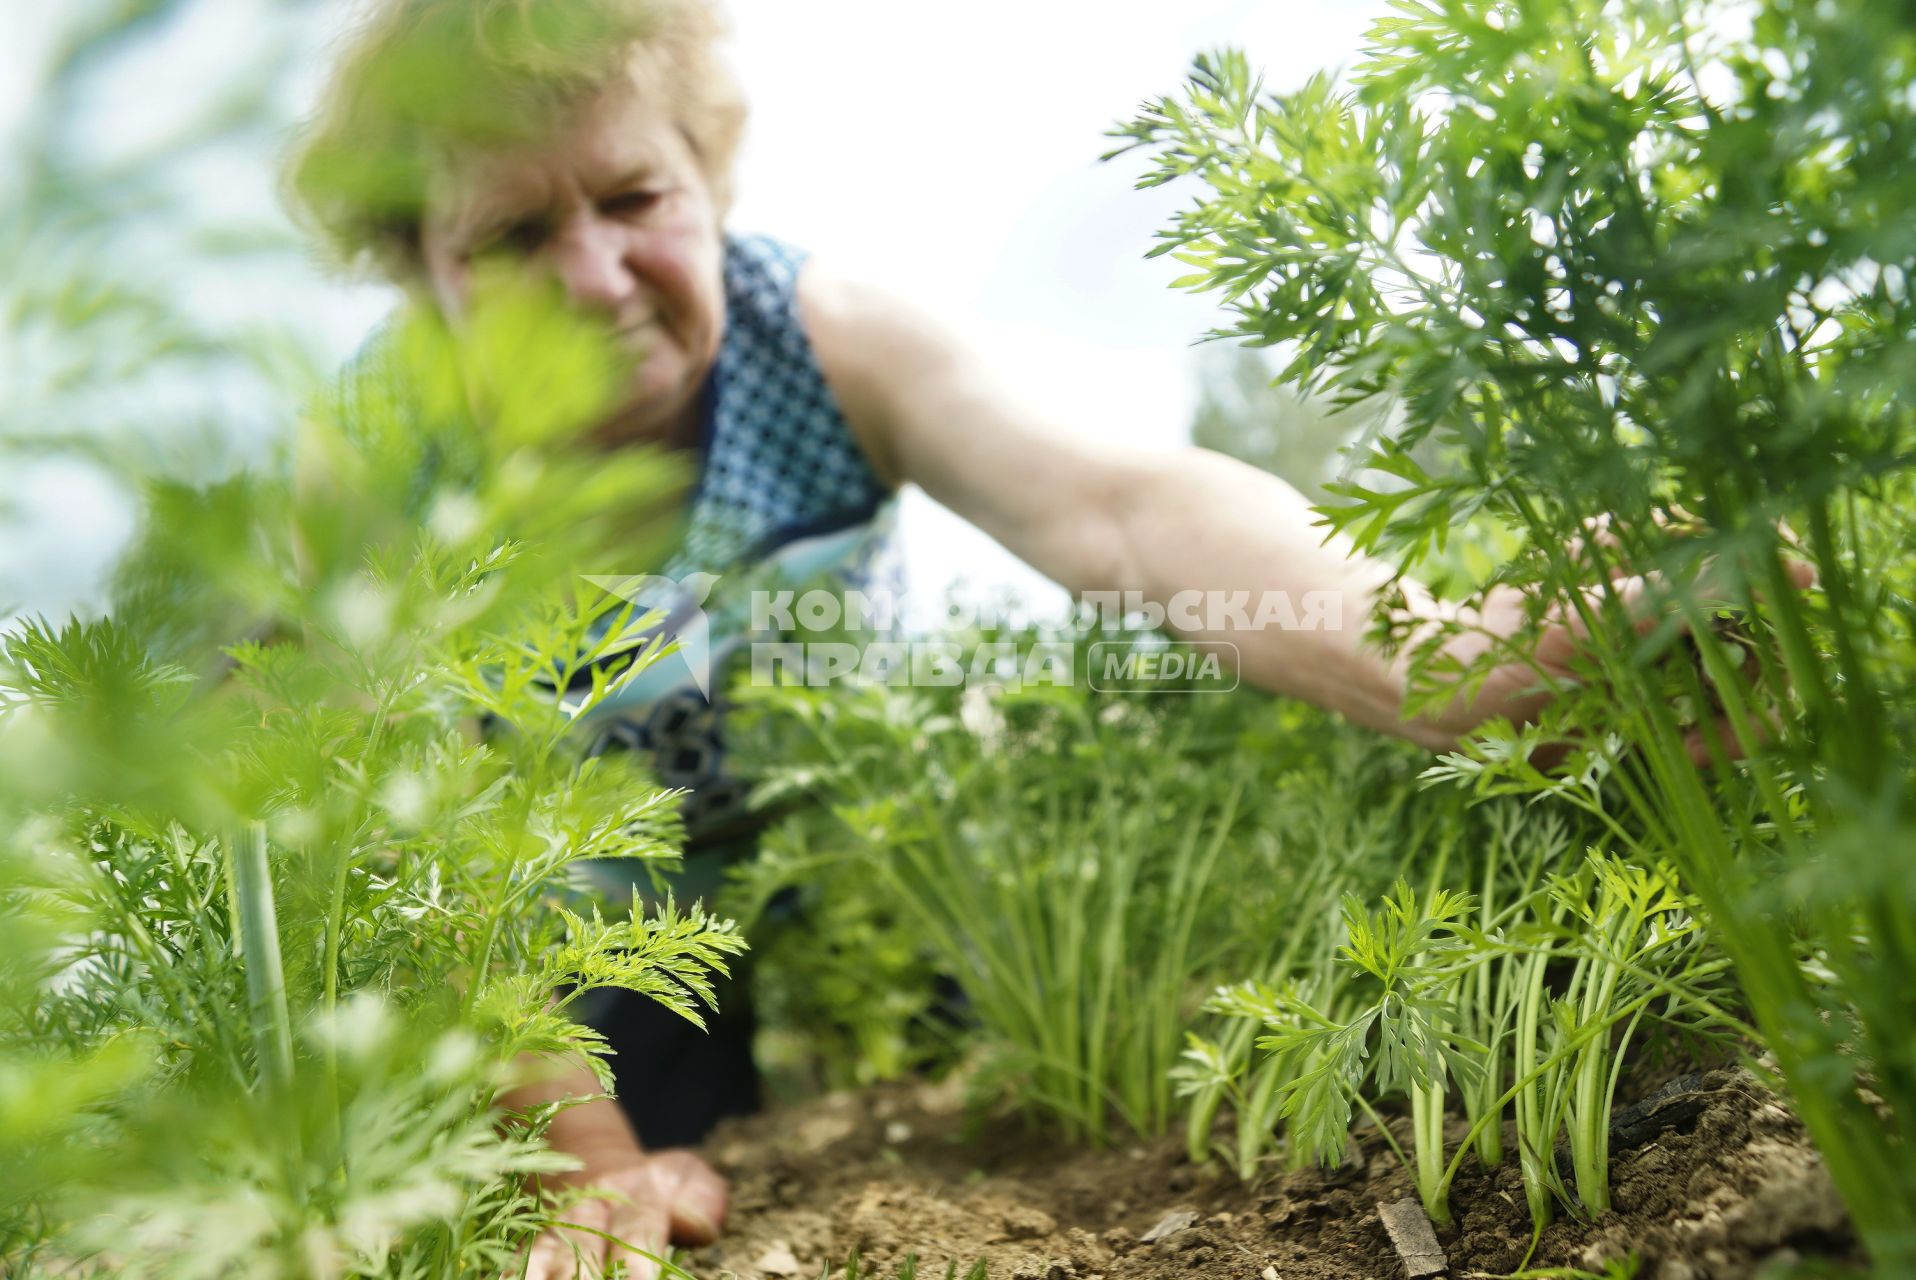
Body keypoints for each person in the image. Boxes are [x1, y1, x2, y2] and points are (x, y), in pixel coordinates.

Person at [284, 2, 1748, 1275]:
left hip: (862, 850)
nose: (598, 277)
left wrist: (1451, 655)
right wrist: (583, 1154)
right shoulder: (376, 465)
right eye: (518, 232)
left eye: (633, 198)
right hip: (591, 927)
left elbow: (1126, 511)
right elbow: (404, 860)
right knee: (647, 1182)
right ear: (426, 273)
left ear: (709, 183)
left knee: (990, 1095)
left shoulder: (824, 338)